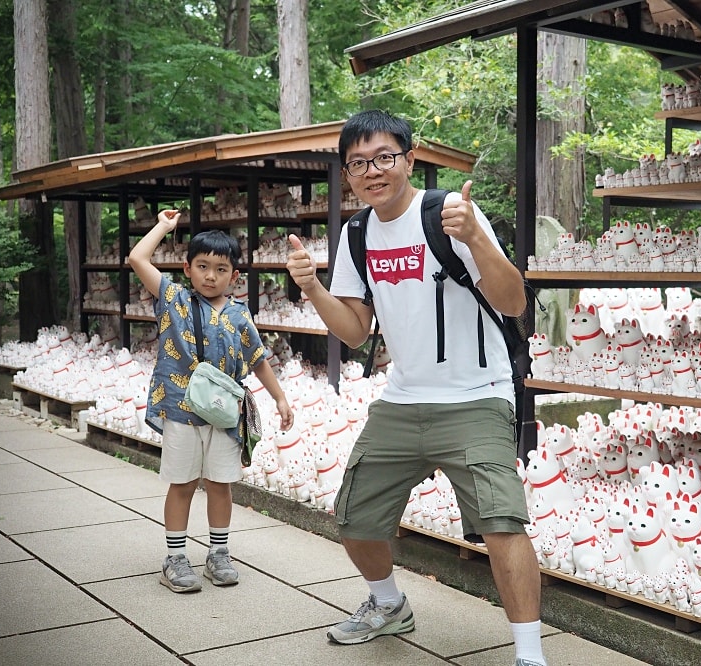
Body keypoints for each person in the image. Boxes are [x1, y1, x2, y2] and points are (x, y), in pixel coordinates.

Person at [286, 109, 547, 666]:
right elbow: (355, 330)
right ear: (347, 173)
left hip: (477, 395)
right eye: (357, 163)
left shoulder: (450, 214)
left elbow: (514, 301)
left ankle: (529, 654)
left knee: (502, 523)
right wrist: (312, 287)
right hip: (403, 399)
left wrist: (476, 237)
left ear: (408, 158)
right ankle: (388, 604)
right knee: (354, 516)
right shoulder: (356, 233)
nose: (371, 171)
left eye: (383, 157)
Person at [129, 212, 293, 593]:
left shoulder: (239, 314)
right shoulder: (174, 299)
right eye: (202, 266)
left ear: (235, 276)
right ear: (187, 268)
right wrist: (163, 228)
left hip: (224, 414)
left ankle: (218, 553)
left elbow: (258, 359)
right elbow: (138, 259)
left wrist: (281, 398)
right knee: (183, 484)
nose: (210, 276)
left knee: (221, 484)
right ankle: (175, 557)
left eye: (221, 269)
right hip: (181, 411)